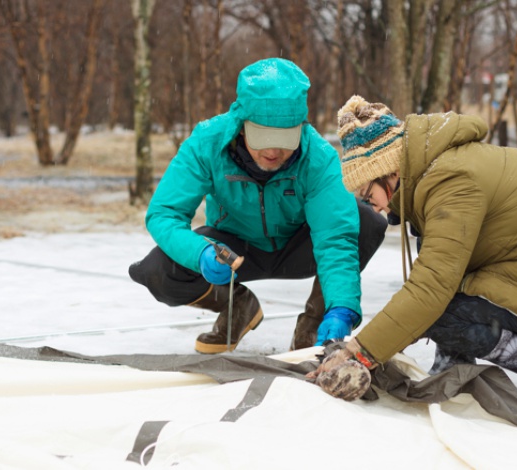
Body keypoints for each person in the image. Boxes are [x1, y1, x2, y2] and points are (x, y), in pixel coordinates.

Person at [308, 95, 517, 414]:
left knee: (439, 309)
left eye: (368, 194)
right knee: (436, 276)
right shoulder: (435, 172)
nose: (372, 206)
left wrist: (360, 352)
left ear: (389, 170)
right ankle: (453, 361)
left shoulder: (452, 181)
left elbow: (430, 291)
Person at [129, 60, 387, 354]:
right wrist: (201, 253)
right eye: (263, 136)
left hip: (298, 247)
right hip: (234, 253)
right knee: (157, 270)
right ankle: (238, 305)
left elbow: (335, 237)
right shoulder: (207, 142)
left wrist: (341, 306)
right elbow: (164, 214)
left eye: (284, 138)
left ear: (300, 126)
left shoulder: (318, 156)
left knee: (366, 222)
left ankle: (314, 323)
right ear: (241, 123)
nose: (273, 151)